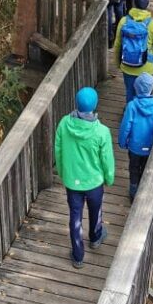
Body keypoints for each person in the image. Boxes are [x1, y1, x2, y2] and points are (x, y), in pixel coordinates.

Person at [54, 86, 115, 269]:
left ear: (77, 103)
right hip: (94, 182)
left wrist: (63, 173)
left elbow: (58, 150)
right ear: (95, 105)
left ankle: (78, 255)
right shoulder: (101, 131)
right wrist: (109, 178)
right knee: (96, 210)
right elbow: (107, 159)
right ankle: (96, 237)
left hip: (73, 181)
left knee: (75, 216)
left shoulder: (64, 124)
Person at [118, 72, 153, 201]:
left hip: (134, 146)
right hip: (150, 145)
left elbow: (126, 125)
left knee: (133, 168)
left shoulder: (132, 106)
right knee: (145, 168)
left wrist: (122, 142)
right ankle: (143, 192)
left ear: (136, 87)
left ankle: (133, 192)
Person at [113, 0, 153, 102]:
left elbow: (118, 45)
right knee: (146, 95)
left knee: (130, 92)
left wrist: (118, 64)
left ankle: (130, 111)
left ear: (134, 4)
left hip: (127, 65)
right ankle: (144, 114)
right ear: (148, 6)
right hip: (147, 67)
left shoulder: (124, 21)